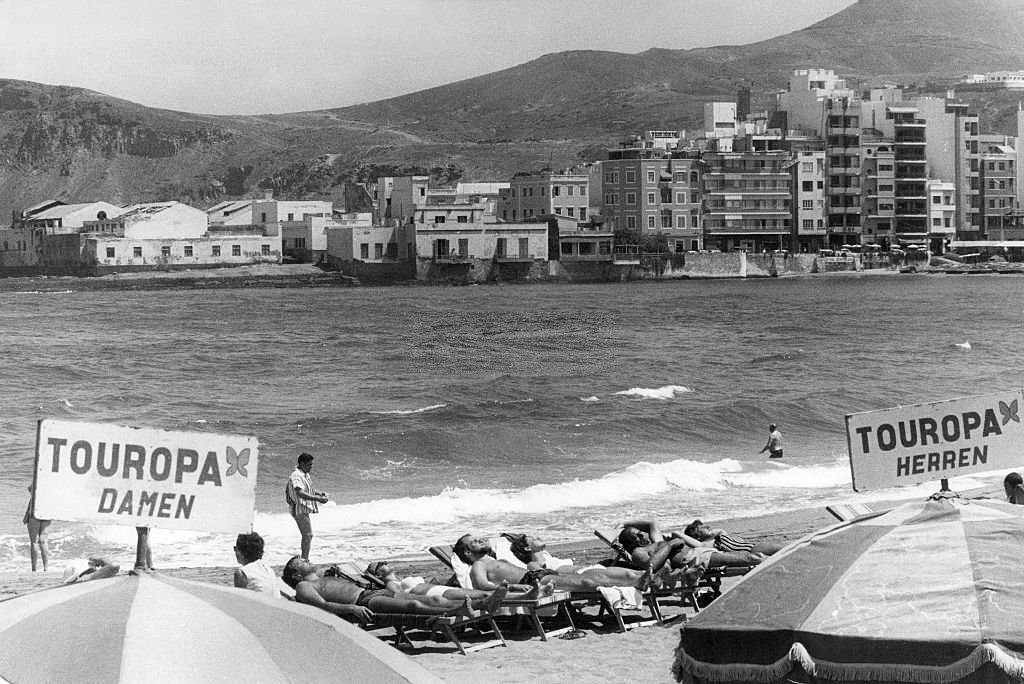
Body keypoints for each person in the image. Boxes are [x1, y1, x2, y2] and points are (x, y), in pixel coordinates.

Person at [281, 556, 506, 624]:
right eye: (300, 561)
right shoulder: (304, 585)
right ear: (295, 574)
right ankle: (460, 610)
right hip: (363, 604)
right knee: (413, 605)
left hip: (372, 592)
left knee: (435, 599)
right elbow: (323, 606)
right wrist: (351, 608)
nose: (305, 559)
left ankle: (482, 604)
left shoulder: (324, 575)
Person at [453, 534, 653, 593]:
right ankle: (635, 581)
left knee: (592, 573)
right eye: (475, 542)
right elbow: (481, 586)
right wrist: (512, 586)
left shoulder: (493, 560)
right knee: (587, 582)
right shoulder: (478, 565)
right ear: (469, 552)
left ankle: (638, 577)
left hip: (538, 575)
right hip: (532, 581)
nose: (481, 540)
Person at [617, 520, 762, 576]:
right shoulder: (638, 552)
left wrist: (623, 524)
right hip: (694, 559)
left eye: (639, 532)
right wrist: (671, 544)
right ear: (631, 544)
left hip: (699, 553)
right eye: (636, 536)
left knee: (749, 555)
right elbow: (651, 566)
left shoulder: (655, 542)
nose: (642, 534)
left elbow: (652, 524)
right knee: (750, 558)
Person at [364, 560, 549, 601]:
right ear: (378, 574)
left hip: (435, 588)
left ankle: (529, 594)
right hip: (430, 594)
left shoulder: (403, 578)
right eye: (381, 564)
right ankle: (528, 596)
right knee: (483, 594)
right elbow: (399, 595)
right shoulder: (390, 583)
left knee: (485, 594)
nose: (385, 563)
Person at [286, 452, 329, 559]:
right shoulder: (296, 475)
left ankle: (305, 559)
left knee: (308, 535)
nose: (311, 467)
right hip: (298, 507)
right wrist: (318, 499)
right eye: (309, 465)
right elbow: (300, 492)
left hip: (302, 508)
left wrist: (319, 493)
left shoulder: (305, 475)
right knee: (308, 535)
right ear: (302, 463)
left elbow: (309, 489)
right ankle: (305, 559)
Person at [233, 532, 292, 598]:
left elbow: (240, 600)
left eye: (235, 549)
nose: (235, 552)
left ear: (241, 552)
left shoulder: (242, 572)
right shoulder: (268, 570)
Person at [683, 519, 783, 557]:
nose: (708, 526)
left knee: (786, 550)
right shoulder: (707, 544)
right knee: (785, 550)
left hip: (753, 548)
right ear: (698, 537)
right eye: (702, 528)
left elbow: (719, 530)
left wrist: (707, 532)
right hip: (751, 551)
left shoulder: (720, 536)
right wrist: (676, 533)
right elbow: (697, 544)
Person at [23, 484, 50, 572]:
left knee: (34, 541)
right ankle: (46, 568)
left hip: (35, 511)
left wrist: (27, 514)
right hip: (46, 511)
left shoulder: (38, 479)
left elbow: (31, 490)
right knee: (44, 541)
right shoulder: (52, 483)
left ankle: (34, 568)